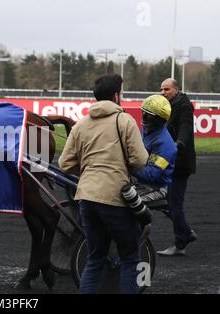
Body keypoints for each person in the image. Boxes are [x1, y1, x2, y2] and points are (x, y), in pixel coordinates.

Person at [59, 75, 148, 294]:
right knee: (130, 257)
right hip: (115, 198)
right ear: (116, 95)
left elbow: (64, 163)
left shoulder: (81, 125)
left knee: (95, 259)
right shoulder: (124, 120)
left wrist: (89, 171)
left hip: (87, 199)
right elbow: (139, 160)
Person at [157, 78, 197, 256]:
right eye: (161, 89)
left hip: (179, 163)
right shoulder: (172, 103)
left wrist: (179, 142)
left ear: (176, 90)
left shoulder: (183, 105)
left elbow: (185, 127)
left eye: (166, 89)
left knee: (173, 203)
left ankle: (181, 241)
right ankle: (185, 232)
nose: (162, 92)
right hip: (172, 160)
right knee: (170, 202)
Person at [132, 95, 177, 203]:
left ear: (160, 119)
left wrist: (127, 165)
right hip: (140, 181)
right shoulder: (147, 130)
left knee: (126, 203)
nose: (144, 115)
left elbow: (151, 174)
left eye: (149, 114)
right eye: (143, 111)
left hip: (157, 187)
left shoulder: (164, 144)